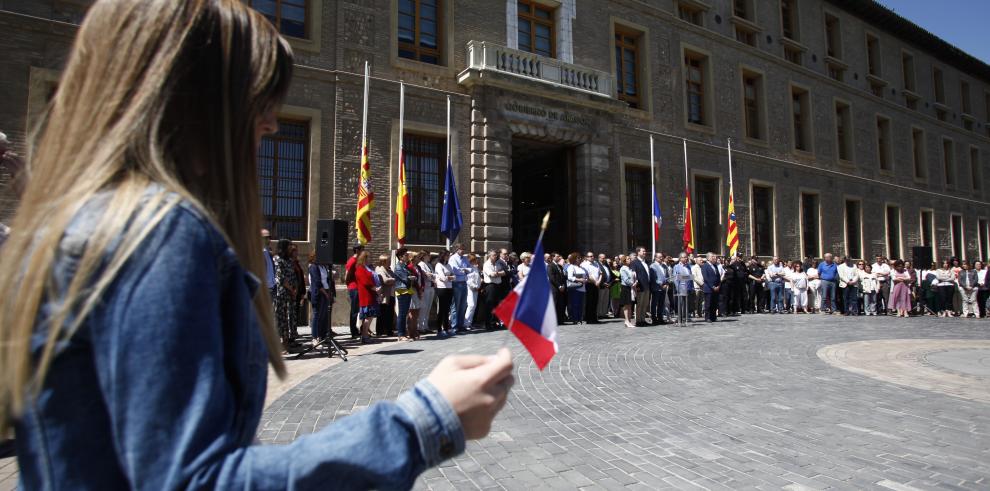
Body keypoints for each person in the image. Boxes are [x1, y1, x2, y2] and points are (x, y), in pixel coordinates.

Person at [0, 2, 514, 487]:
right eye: (258, 97)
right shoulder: (158, 235)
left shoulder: (80, 224)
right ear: (191, 98)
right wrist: (423, 420)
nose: (271, 122)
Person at [274, 238, 299, 350]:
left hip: (291, 294)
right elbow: (280, 278)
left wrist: (295, 290)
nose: (291, 248)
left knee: (290, 318)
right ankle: (282, 345)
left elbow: (293, 276)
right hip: (282, 294)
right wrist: (291, 289)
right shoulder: (277, 260)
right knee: (282, 320)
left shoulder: (289, 260)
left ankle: (288, 342)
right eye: (289, 246)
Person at [308, 250, 334, 346]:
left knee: (324, 316)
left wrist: (330, 292)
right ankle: (315, 337)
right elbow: (317, 282)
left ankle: (322, 336)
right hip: (318, 293)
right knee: (317, 315)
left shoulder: (323, 266)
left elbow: (327, 280)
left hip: (326, 291)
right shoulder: (313, 267)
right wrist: (326, 293)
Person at [354, 251, 380, 344]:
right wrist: (375, 288)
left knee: (370, 315)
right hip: (366, 295)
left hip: (371, 294)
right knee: (367, 316)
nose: (370, 259)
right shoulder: (360, 268)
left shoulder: (367, 268)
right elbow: (366, 282)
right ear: (364, 258)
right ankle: (364, 335)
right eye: (369, 258)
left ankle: (365, 334)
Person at [394, 248, 417, 341]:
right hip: (402, 291)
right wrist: (411, 278)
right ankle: (401, 334)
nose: (407, 256)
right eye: (406, 255)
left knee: (405, 313)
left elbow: (409, 275)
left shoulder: (404, 265)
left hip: (407, 290)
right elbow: (405, 278)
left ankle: (404, 333)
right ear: (400, 256)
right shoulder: (398, 266)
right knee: (402, 313)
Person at [448, 243, 471, 333]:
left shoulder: (465, 258)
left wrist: (464, 270)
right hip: (456, 283)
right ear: (457, 249)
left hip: (464, 282)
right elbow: (455, 270)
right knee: (455, 306)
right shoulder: (453, 258)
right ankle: (454, 325)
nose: (463, 251)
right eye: (462, 249)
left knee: (463, 305)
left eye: (464, 249)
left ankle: (461, 325)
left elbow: (470, 269)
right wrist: (464, 270)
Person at [434, 250, 455, 338]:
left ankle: (446, 328)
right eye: (446, 255)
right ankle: (439, 329)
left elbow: (455, 277)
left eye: (448, 255)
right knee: (441, 310)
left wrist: (449, 277)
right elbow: (443, 278)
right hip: (441, 289)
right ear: (442, 256)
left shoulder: (448, 265)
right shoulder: (439, 265)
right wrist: (449, 277)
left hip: (449, 288)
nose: (448, 257)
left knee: (447, 309)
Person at [345, 244, 365, 339]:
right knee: (354, 311)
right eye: (362, 250)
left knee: (357, 311)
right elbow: (347, 275)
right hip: (354, 288)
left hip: (358, 287)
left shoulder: (358, 261)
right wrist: (350, 286)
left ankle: (358, 330)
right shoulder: (352, 261)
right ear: (357, 251)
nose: (363, 252)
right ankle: (353, 332)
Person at [482, 250, 505, 330]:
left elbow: (504, 272)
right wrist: (498, 273)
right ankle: (488, 324)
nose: (496, 256)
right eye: (494, 255)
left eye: (496, 255)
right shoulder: (486, 264)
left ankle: (495, 322)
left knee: (497, 305)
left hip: (498, 285)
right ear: (489, 256)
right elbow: (491, 275)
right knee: (489, 305)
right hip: (490, 286)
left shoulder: (498, 263)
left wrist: (497, 273)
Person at [375, 254, 397, 337]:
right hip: (384, 295)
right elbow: (385, 280)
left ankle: (389, 330)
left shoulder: (389, 270)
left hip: (391, 294)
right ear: (383, 262)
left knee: (390, 313)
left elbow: (394, 277)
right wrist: (394, 280)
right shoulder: (380, 270)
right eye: (388, 261)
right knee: (382, 313)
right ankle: (380, 331)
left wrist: (393, 279)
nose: (390, 262)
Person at [630, 247, 651, 326]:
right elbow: (633, 274)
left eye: (645, 251)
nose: (645, 252)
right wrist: (636, 285)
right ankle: (638, 321)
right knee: (639, 304)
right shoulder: (634, 262)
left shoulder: (646, 262)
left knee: (645, 304)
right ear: (638, 252)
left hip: (647, 286)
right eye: (643, 251)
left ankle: (643, 319)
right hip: (640, 286)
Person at [565, 252, 588, 323]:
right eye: (578, 258)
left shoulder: (581, 268)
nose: (580, 259)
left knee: (581, 304)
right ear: (574, 259)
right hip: (575, 288)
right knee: (575, 304)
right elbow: (570, 277)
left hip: (582, 288)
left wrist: (586, 279)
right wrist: (579, 279)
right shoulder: (571, 267)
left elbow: (585, 276)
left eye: (580, 258)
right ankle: (575, 319)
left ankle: (580, 318)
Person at [417, 251, 436, 334]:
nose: (429, 256)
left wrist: (431, 275)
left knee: (428, 308)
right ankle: (420, 327)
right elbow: (426, 275)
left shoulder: (429, 264)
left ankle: (426, 326)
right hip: (426, 288)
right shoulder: (421, 264)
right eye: (428, 255)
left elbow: (433, 275)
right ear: (424, 256)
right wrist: (431, 275)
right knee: (423, 308)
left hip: (431, 287)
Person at [580, 251, 602, 324]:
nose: (592, 257)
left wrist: (598, 281)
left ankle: (594, 318)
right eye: (590, 256)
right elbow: (587, 275)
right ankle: (589, 319)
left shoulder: (596, 263)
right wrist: (595, 282)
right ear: (586, 257)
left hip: (596, 284)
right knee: (589, 302)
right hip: (589, 284)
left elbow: (600, 273)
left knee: (595, 302)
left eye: (593, 256)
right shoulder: (584, 264)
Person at [701, 253, 721, 322]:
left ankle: (713, 317)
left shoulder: (715, 265)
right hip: (708, 288)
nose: (713, 258)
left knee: (714, 303)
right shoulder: (705, 266)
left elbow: (718, 276)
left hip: (716, 288)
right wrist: (712, 286)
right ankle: (708, 317)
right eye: (712, 257)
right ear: (708, 258)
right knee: (708, 304)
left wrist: (718, 285)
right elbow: (706, 278)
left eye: (714, 257)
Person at [649, 252, 668, 325]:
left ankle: (660, 318)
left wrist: (666, 283)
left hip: (664, 288)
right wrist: (661, 284)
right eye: (659, 257)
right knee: (654, 303)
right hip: (656, 287)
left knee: (661, 303)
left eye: (662, 257)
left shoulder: (664, 266)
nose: (661, 258)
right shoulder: (652, 266)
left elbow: (666, 276)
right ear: (655, 258)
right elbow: (653, 278)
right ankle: (654, 318)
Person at [618, 255, 636, 327]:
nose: (630, 260)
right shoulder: (623, 268)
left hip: (630, 287)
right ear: (624, 261)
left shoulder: (629, 268)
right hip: (625, 287)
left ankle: (629, 320)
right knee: (626, 305)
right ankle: (626, 320)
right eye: (628, 259)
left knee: (630, 305)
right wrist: (633, 284)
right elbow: (625, 279)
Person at [465, 254, 481, 329]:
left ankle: (469, 323)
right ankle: (466, 323)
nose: (476, 261)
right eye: (475, 259)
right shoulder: (468, 268)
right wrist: (474, 287)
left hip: (476, 289)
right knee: (471, 305)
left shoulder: (475, 268)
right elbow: (468, 280)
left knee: (473, 306)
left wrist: (478, 286)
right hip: (470, 289)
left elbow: (477, 279)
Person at [597, 253, 614, 318]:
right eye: (602, 258)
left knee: (606, 300)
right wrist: (602, 283)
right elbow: (597, 275)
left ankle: (604, 313)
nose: (604, 259)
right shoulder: (597, 265)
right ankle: (599, 313)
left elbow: (611, 275)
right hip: (601, 285)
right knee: (600, 300)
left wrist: (610, 283)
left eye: (604, 258)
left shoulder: (606, 265)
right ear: (599, 258)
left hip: (608, 285)